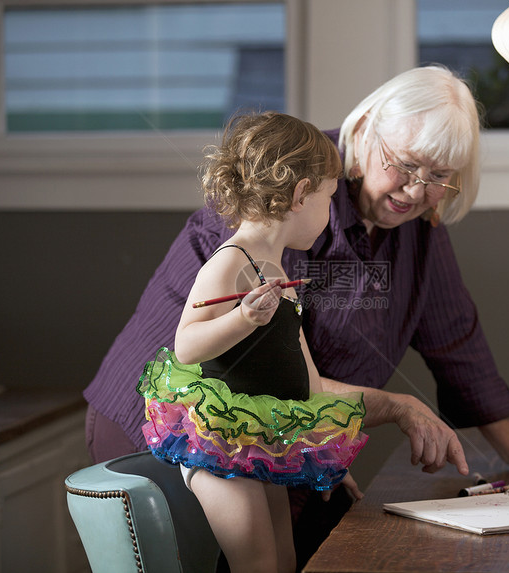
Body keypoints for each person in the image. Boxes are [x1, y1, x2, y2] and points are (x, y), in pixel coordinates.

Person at [84, 65, 509, 568]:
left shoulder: (417, 223)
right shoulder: (285, 179)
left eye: (439, 176)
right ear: (363, 132)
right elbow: (220, 361)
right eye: (404, 164)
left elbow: (458, 345)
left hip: (271, 423)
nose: (415, 191)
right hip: (174, 424)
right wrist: (351, 420)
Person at [137, 111, 366, 573]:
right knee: (257, 564)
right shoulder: (229, 260)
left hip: (261, 438)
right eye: (328, 198)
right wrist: (242, 318)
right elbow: (186, 346)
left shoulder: (274, 267)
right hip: (218, 440)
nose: (330, 212)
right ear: (301, 194)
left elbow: (303, 372)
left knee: (283, 560)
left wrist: (328, 456)